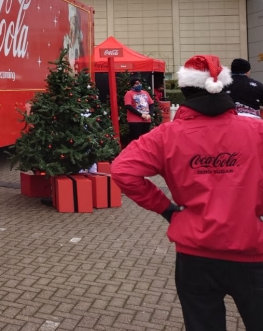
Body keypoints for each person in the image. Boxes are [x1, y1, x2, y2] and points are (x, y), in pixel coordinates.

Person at [111, 55, 263, 331]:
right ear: (223, 87)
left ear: (185, 91)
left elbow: (122, 170)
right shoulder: (256, 130)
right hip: (253, 251)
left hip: (195, 255)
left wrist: (166, 209)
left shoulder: (166, 135)